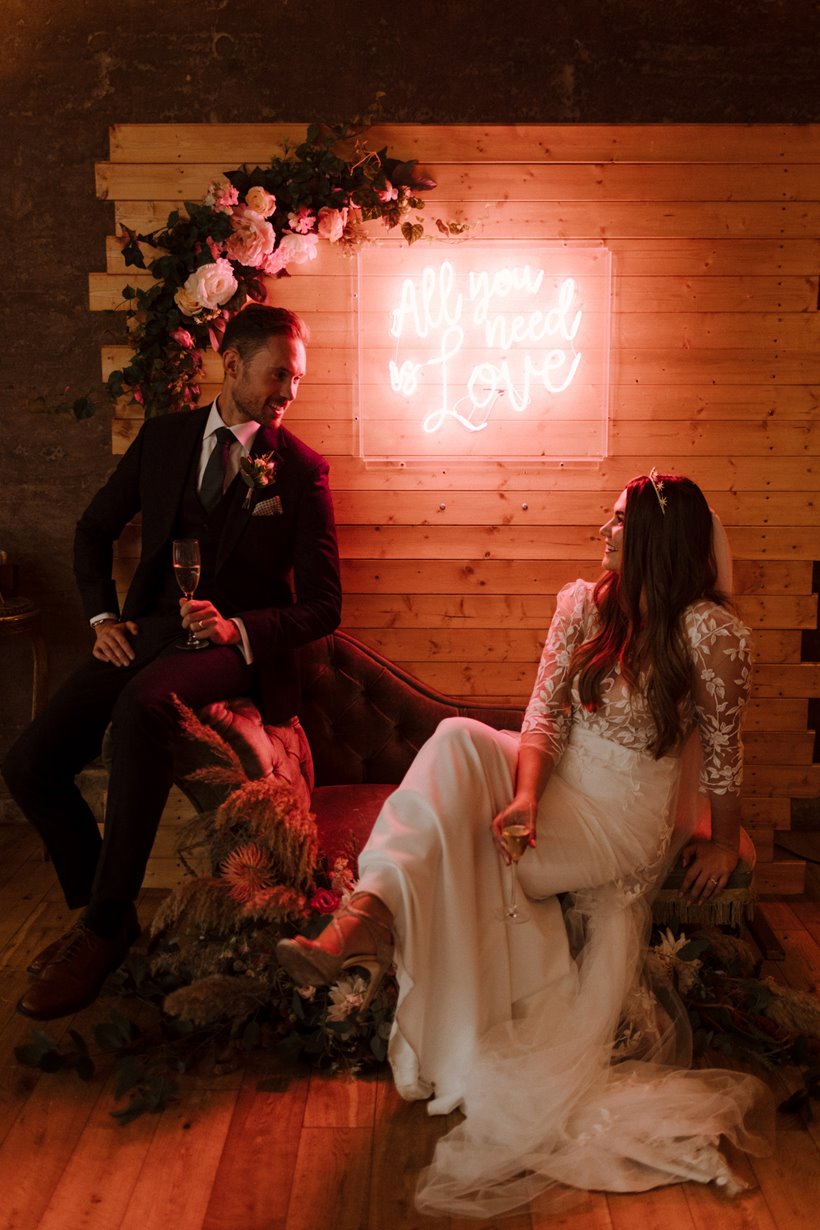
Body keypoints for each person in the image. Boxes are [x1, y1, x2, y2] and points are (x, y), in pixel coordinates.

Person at [277, 472, 773, 1218]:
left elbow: (727, 753)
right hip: (557, 782)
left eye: (614, 522)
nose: (600, 533)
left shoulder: (709, 633)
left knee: (466, 828)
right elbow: (541, 715)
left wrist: (724, 841)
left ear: (651, 538)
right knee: (456, 741)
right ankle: (364, 915)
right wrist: (526, 794)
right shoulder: (582, 605)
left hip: (622, 816)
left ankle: (369, 918)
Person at [4, 304, 342, 1021]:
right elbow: (93, 529)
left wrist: (237, 631)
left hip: (233, 653)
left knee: (145, 704)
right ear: (233, 365)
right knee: (29, 763)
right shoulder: (162, 441)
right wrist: (101, 618)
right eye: (279, 374)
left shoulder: (303, 472)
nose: (291, 391)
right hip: (146, 629)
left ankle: (100, 927)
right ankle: (106, 909)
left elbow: (322, 606)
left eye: (299, 378)